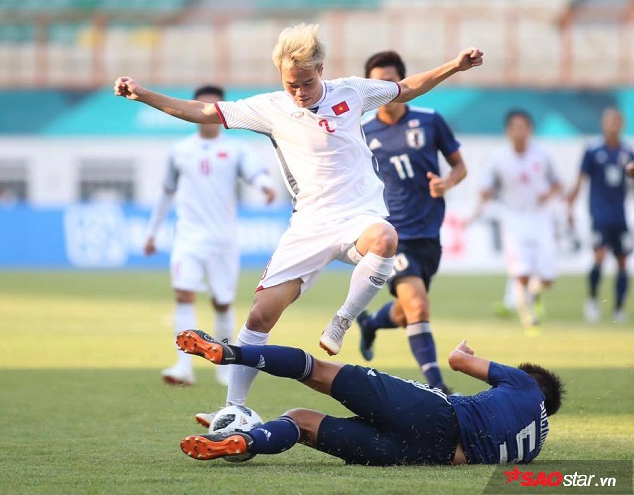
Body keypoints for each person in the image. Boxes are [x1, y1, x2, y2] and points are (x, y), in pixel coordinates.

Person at [114, 23, 484, 415]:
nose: (300, 92)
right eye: (291, 84)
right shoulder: (270, 108)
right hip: (308, 226)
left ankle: (342, 321)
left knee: (386, 237)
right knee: (260, 315)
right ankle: (234, 408)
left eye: (306, 83)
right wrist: (143, 94)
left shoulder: (352, 91)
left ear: (320, 70)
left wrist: (455, 66)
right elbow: (203, 111)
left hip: (358, 216)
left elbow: (406, 88)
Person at [175, 329, 565, 465]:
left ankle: (231, 353)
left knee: (316, 371)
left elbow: (457, 361)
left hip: (436, 414)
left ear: (535, 382)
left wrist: (463, 351)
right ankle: (246, 440)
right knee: (300, 421)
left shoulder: (525, 384)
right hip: (430, 456)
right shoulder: (533, 447)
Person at [144, 85, 277, 386]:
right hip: (188, 238)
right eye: (201, 107)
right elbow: (166, 192)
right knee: (183, 294)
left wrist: (266, 186)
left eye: (212, 108)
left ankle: (223, 367)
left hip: (223, 240)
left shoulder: (236, 149)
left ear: (221, 112)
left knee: (222, 303)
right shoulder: (180, 150)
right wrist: (152, 232)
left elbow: (256, 173)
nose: (206, 114)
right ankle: (183, 366)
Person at [356, 51, 467, 395]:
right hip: (391, 233)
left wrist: (446, 183)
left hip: (429, 232)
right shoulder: (361, 132)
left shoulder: (430, 121)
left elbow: (459, 167)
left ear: (403, 83)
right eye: (378, 83)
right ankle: (437, 387)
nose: (385, 89)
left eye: (391, 81)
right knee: (418, 305)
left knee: (407, 312)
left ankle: (371, 323)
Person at [471, 110, 562, 332]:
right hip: (513, 220)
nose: (519, 132)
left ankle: (535, 293)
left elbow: (557, 183)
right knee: (520, 274)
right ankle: (528, 319)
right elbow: (486, 187)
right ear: (508, 131)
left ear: (530, 130)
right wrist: (482, 201)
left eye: (523, 127)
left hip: (540, 217)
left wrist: (548, 195)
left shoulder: (542, 155)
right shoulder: (498, 158)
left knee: (548, 278)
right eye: (515, 128)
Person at [567, 107, 634, 324]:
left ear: (622, 125)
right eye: (609, 121)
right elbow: (580, 179)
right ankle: (593, 301)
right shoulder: (593, 150)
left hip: (619, 215)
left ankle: (618, 309)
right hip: (599, 214)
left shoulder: (627, 152)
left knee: (623, 261)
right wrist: (570, 206)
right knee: (599, 256)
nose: (613, 125)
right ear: (603, 124)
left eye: (617, 121)